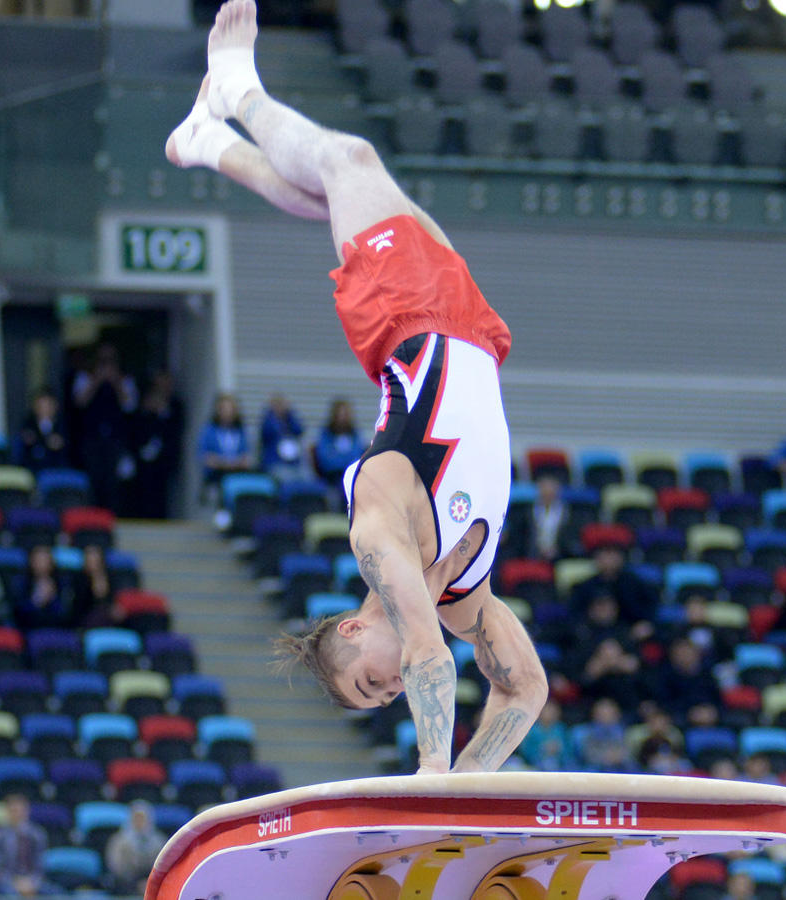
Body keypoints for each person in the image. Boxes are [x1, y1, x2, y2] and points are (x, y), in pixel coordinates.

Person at [167, 0, 545, 774]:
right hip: (473, 330)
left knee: (352, 166)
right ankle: (206, 141)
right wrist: (473, 777)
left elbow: (425, 654)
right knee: (331, 196)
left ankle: (236, 89)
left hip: (405, 320)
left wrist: (433, 773)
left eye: (373, 680)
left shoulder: (376, 530)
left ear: (349, 632)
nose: (393, 686)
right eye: (385, 699)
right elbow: (524, 691)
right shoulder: (465, 602)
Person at [72, 344, 137, 511]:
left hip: (115, 438)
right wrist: (97, 380)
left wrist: (116, 381)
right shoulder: (85, 377)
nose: (106, 364)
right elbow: (80, 402)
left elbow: (129, 405)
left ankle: (113, 514)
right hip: (91, 438)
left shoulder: (125, 380)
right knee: (94, 478)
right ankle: (93, 515)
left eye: (110, 360)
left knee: (113, 481)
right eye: (102, 360)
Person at [132, 372, 184, 518]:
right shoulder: (146, 400)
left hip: (165, 455)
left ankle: (161, 517)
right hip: (145, 453)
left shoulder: (175, 403)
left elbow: (175, 428)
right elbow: (137, 425)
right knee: (144, 488)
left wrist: (162, 410)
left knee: (163, 491)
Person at [0, 794, 53, 896]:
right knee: (11, 894)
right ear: (6, 812)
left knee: (56, 894)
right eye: (14, 811)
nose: (18, 815)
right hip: (3, 881)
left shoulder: (37, 834)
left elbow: (40, 866)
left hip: (30, 881)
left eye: (21, 811)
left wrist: (32, 883)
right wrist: (15, 883)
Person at [105, 800, 166, 896]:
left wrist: (149, 882)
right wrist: (136, 884)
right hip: (127, 884)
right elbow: (116, 866)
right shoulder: (118, 841)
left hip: (152, 883)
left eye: (142, 818)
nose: (139, 822)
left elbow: (163, 866)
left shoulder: (159, 841)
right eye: (136, 818)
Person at [198, 392, 254, 487]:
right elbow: (206, 458)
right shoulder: (209, 431)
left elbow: (247, 458)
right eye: (224, 409)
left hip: (237, 475)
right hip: (216, 476)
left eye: (230, 409)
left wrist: (231, 463)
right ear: (218, 410)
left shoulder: (240, 431)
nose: (227, 413)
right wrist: (226, 463)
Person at [13, 546, 72, 632]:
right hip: (29, 626)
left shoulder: (61, 582)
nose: (42, 565)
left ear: (51, 563)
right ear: (32, 563)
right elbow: (18, 611)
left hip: (57, 625)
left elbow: (66, 612)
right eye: (38, 561)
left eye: (45, 561)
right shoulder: (23, 581)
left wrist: (52, 598)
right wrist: (36, 602)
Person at [313, 398, 366, 487]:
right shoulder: (326, 434)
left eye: (345, 415)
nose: (342, 418)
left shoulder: (354, 434)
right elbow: (325, 459)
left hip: (352, 477)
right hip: (330, 478)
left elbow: (357, 455)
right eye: (340, 415)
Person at [15, 389, 68, 472]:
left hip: (55, 466)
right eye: (41, 405)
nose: (45, 409)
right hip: (32, 465)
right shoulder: (28, 423)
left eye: (48, 405)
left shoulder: (62, 425)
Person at [259, 393, 305, 481]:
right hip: (275, 463)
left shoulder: (290, 421)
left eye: (282, 405)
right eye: (277, 405)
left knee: (304, 477)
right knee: (285, 477)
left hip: (293, 464)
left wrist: (290, 415)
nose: (280, 408)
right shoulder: (268, 422)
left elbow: (299, 430)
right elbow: (266, 432)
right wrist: (272, 416)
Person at [71, 545, 113, 629]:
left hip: (106, 616)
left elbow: (112, 603)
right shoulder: (79, 579)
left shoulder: (109, 577)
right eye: (90, 559)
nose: (93, 562)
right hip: (83, 617)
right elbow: (79, 606)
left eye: (95, 559)